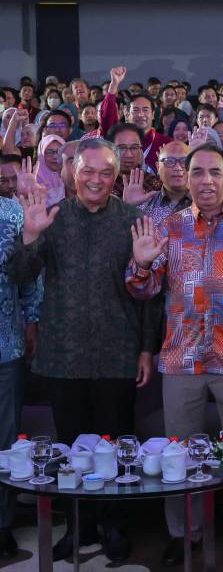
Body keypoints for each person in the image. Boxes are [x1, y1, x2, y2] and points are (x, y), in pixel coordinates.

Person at [125, 144, 223, 567]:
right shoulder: (167, 227)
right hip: (181, 355)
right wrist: (140, 266)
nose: (206, 180)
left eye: (214, 172)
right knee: (180, 450)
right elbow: (144, 291)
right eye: (198, 172)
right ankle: (184, 532)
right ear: (185, 177)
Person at [9, 138, 156, 563]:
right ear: (73, 172)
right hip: (63, 356)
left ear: (116, 176)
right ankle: (78, 526)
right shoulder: (51, 217)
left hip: (118, 352)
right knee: (73, 450)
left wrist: (146, 350)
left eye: (105, 172)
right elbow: (20, 274)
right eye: (87, 171)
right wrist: (30, 235)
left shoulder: (134, 219)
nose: (95, 179)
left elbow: (149, 293)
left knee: (115, 446)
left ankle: (114, 526)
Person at [0, 194, 41, 559]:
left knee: (4, 441)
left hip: (5, 344)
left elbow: (29, 278)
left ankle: (2, 524)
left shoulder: (12, 212)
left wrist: (32, 320)